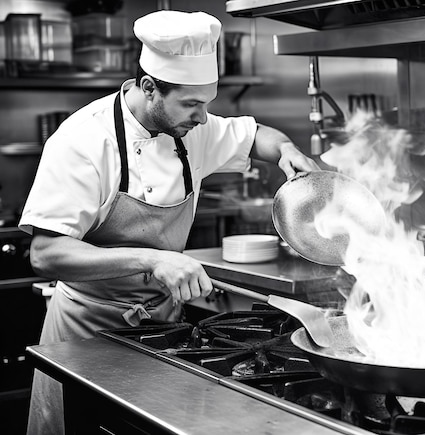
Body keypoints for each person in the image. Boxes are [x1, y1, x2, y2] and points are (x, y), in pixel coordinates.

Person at [19, 10, 319, 434]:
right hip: (85, 333)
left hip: (162, 330)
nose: (202, 117)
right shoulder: (83, 141)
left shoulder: (190, 127)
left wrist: (287, 151)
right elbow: (46, 254)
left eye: (207, 104)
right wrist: (152, 260)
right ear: (149, 88)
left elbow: (256, 136)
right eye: (192, 104)